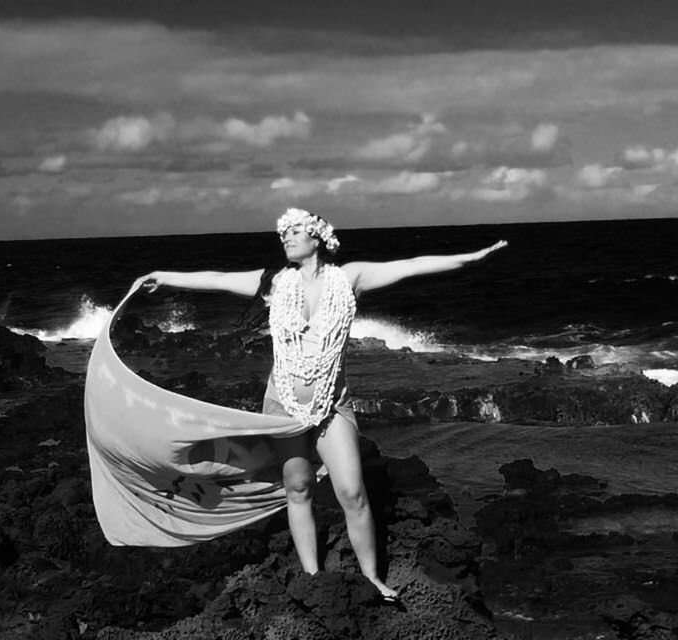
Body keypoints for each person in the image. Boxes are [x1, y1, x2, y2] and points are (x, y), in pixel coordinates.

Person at [131, 207, 507, 601]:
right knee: (298, 486)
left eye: (294, 232)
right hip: (283, 405)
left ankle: (372, 578)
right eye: (284, 234)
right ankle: (312, 576)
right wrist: (163, 276)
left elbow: (412, 265)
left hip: (332, 404)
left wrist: (472, 257)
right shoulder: (273, 282)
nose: (286, 239)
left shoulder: (350, 278)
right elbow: (217, 279)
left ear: (318, 238)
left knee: (353, 492)